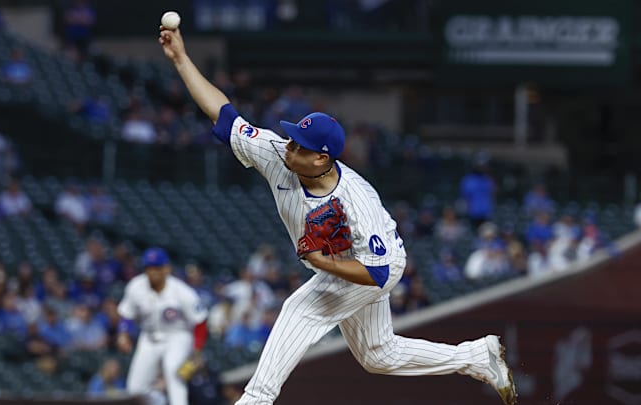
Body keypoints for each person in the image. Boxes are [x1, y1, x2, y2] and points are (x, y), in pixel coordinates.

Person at [157, 27, 518, 405]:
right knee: (379, 355)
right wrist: (181, 59)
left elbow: (378, 273)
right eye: (293, 139)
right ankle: (475, 357)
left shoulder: (356, 200)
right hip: (342, 262)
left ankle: (255, 400)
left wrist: (323, 263)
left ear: (322, 158)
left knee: (301, 308)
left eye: (300, 145)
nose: (289, 147)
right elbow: (225, 115)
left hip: (377, 263)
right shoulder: (277, 155)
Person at [116, 248, 209, 405]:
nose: (153, 272)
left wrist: (197, 349)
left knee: (174, 374)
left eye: (157, 267)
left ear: (167, 268)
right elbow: (127, 314)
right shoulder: (136, 287)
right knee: (135, 388)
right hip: (149, 337)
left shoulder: (182, 292)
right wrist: (123, 333)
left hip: (178, 336)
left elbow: (200, 320)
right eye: (149, 267)